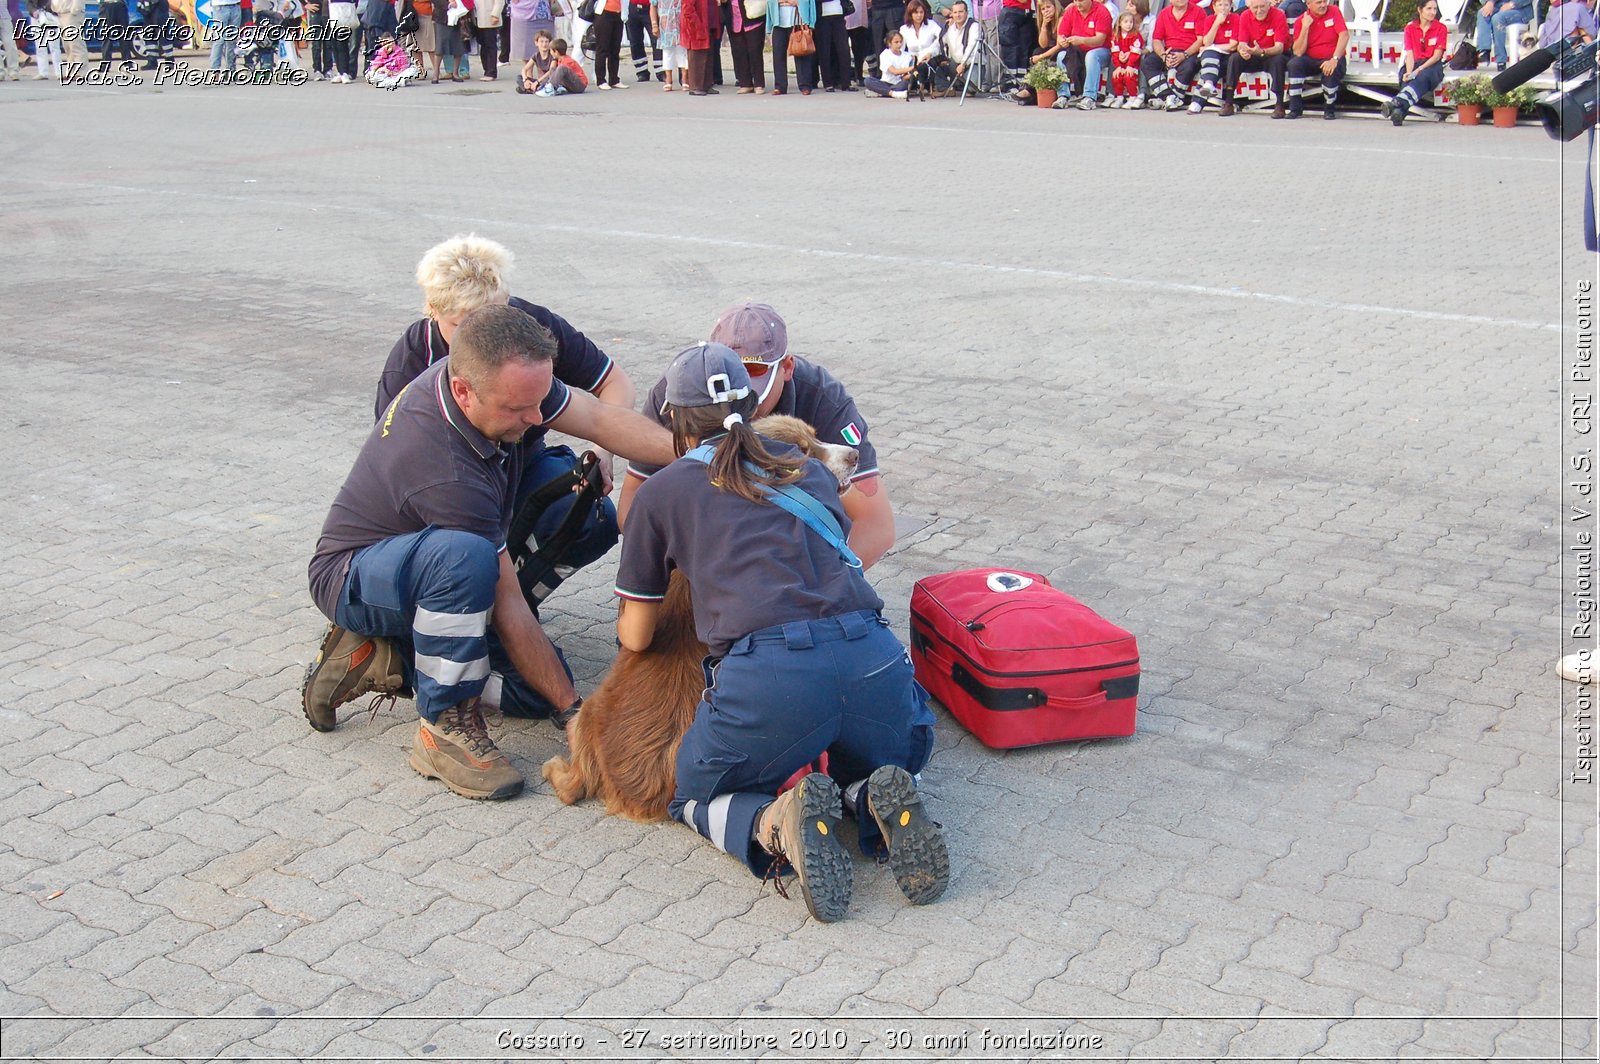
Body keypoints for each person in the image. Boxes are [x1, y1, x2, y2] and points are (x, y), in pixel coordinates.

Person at [615, 343, 947, 923]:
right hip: (875, 659)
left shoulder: (664, 492)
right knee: (889, 748)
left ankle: (775, 823)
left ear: (673, 421)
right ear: (755, 400)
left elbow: (638, 636)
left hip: (773, 676)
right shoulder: (810, 470)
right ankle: (870, 797)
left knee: (691, 794)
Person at [305, 308, 582, 800]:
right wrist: (574, 713)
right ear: (464, 392)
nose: (538, 418)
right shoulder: (446, 469)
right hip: (351, 575)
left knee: (526, 692)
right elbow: (509, 603)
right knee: (466, 558)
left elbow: (605, 419)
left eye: (540, 402)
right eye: (520, 408)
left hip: (424, 564)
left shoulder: (487, 376)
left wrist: (707, 458)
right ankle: (443, 727)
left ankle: (389, 655)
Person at [375, 236, 665, 628]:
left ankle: (517, 609)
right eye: (462, 326)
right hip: (449, 491)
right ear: (432, 310)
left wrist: (604, 451)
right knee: (469, 559)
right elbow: (393, 475)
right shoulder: (408, 367)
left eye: (493, 318)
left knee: (589, 516)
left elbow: (614, 385)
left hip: (519, 471)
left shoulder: (528, 328)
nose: (484, 342)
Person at [619, 302, 898, 569]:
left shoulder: (822, 397)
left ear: (786, 367)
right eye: (730, 371)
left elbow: (875, 524)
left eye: (753, 372)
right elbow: (635, 501)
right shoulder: (681, 389)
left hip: (795, 543)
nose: (743, 398)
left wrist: (823, 584)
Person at [1381, 0, 1446, 125]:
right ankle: (1398, 112)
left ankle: (1397, 103)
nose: (1433, 12)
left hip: (1432, 65)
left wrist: (1418, 70)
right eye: (1429, 9)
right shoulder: (1410, 28)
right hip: (1414, 63)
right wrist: (1410, 72)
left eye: (1435, 9)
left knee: (1423, 76)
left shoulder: (1440, 28)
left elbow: (1437, 56)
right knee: (1406, 77)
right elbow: (1410, 54)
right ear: (1420, 10)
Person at [1135, 0, 1205, 109]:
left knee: (1189, 66)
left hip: (1190, 52)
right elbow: (1157, 40)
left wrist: (1185, 55)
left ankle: (1172, 98)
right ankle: (1169, 96)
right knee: (1148, 63)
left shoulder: (1198, 12)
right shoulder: (1164, 13)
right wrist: (1163, 55)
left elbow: (1201, 39)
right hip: (1169, 51)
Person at [1218, 0, 1285, 115]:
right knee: (1235, 58)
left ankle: (1279, 105)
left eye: (1262, 6)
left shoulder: (1278, 15)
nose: (1259, 11)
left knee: (1278, 60)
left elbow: (1279, 47)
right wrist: (1243, 50)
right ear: (1249, 7)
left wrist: (1262, 51)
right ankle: (1229, 103)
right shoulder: (1245, 15)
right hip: (1253, 54)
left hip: (1270, 54)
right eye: (1255, 8)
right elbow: (1241, 43)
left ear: (1269, 4)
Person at [1286, 0, 1345, 118]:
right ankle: (1295, 108)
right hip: (1311, 59)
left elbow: (1344, 35)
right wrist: (1305, 27)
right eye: (1319, 2)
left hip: (1332, 57)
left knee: (1331, 70)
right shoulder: (1301, 20)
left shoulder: (1334, 11)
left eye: (1325, 1)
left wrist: (1334, 59)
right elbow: (1298, 52)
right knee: (1294, 64)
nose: (1323, 5)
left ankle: (1329, 107)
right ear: (1308, 4)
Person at [1054, 0, 1111, 107]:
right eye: (1075, 0)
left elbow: (1100, 40)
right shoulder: (1071, 10)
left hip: (1101, 50)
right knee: (1061, 56)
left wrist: (1082, 40)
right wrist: (1062, 40)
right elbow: (1061, 35)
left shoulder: (1102, 11)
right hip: (1077, 51)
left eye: (1081, 0)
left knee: (1091, 56)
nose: (1077, 3)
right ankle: (1063, 95)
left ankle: (1089, 97)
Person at [1188, 0, 1236, 110]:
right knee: (1210, 58)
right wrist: (1216, 23)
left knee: (1210, 67)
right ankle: (1207, 86)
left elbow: (1232, 45)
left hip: (1228, 56)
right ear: (1214, 7)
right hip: (1211, 57)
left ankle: (1198, 101)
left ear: (1230, 7)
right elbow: (1207, 42)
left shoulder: (1235, 18)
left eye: (1226, 5)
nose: (1223, 8)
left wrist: (1213, 47)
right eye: (1220, 5)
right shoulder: (1209, 19)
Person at [1010, 0, 1061, 101]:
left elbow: (1059, 45)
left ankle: (1029, 90)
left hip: (1064, 48)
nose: (1046, 11)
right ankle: (1031, 89)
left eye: (1048, 7)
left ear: (1055, 6)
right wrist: (1044, 26)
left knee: (1039, 55)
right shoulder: (1045, 20)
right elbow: (1043, 44)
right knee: (1037, 51)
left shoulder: (1061, 19)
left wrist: (1041, 57)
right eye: (1043, 9)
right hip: (1051, 49)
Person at [768, 0, 817, 94]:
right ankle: (780, 86)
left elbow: (810, 2)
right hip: (779, 23)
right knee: (778, 55)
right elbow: (770, 2)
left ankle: (805, 86)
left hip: (798, 21)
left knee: (802, 53)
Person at [932, 0, 980, 90]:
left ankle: (961, 82)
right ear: (952, 14)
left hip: (971, 63)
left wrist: (963, 64)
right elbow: (938, 44)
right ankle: (952, 85)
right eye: (955, 12)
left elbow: (971, 48)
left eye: (961, 12)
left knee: (971, 88)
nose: (958, 15)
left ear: (967, 12)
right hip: (955, 64)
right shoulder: (949, 27)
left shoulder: (974, 26)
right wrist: (928, 53)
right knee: (935, 64)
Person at [1473, 0, 1531, 69]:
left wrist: (1511, 4)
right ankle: (1484, 51)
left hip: (1520, 9)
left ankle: (1501, 60)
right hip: (1499, 7)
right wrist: (1490, 2)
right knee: (1482, 13)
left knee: (1498, 18)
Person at [898, 0, 939, 90]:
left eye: (921, 12)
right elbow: (900, 50)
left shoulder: (931, 24)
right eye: (916, 12)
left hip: (928, 59)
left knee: (923, 67)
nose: (919, 15)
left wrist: (930, 52)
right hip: (912, 62)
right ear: (910, 14)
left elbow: (941, 38)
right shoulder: (904, 29)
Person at [726, 0, 766, 91]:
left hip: (753, 15)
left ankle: (759, 83)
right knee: (739, 51)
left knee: (755, 51)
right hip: (734, 16)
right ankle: (745, 83)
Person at [860, 23, 912, 90]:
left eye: (901, 42)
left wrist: (911, 75)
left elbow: (904, 76)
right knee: (868, 81)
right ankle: (891, 92)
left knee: (905, 84)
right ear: (889, 43)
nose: (899, 44)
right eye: (896, 42)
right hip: (886, 82)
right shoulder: (885, 54)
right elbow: (894, 71)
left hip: (899, 83)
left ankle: (884, 92)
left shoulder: (907, 55)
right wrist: (912, 68)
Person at [1105, 8, 1141, 103]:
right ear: (1120, 23)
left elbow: (1135, 52)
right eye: (1126, 22)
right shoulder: (1115, 36)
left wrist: (1129, 65)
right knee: (1117, 76)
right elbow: (1115, 52)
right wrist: (1118, 66)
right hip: (1120, 64)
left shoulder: (1136, 36)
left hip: (1132, 64)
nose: (1129, 24)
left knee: (1129, 76)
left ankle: (1132, 96)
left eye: (1131, 22)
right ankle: (1119, 97)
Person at [651, 0, 687, 88]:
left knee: (683, 51)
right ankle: (668, 80)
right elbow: (653, 5)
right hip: (666, 24)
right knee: (667, 52)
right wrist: (654, 24)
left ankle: (685, 79)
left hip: (682, 22)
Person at [869, 0, 908, 78]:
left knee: (897, 41)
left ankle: (902, 72)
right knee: (878, 44)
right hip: (876, 8)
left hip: (894, 7)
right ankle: (881, 74)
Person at [591, 0, 626, 86]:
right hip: (604, 13)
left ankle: (614, 79)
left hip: (619, 13)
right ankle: (601, 80)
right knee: (602, 48)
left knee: (615, 49)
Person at [98, 0, 134, 68]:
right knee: (107, 36)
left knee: (123, 35)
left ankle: (128, 63)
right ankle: (105, 64)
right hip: (107, 5)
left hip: (120, 4)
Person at [470, 0, 501, 78]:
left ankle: (491, 72)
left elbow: (500, 2)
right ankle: (486, 70)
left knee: (490, 45)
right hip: (477, 17)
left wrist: (495, 15)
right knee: (482, 44)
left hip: (489, 17)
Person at [208, 0, 242, 69]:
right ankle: (215, 69)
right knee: (219, 40)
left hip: (235, 5)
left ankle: (231, 69)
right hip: (220, 7)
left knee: (232, 40)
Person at [29, 0, 58, 78]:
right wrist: (33, 11)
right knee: (39, 45)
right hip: (36, 17)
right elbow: (29, 2)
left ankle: (58, 72)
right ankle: (43, 72)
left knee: (54, 46)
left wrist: (44, 9)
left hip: (50, 15)